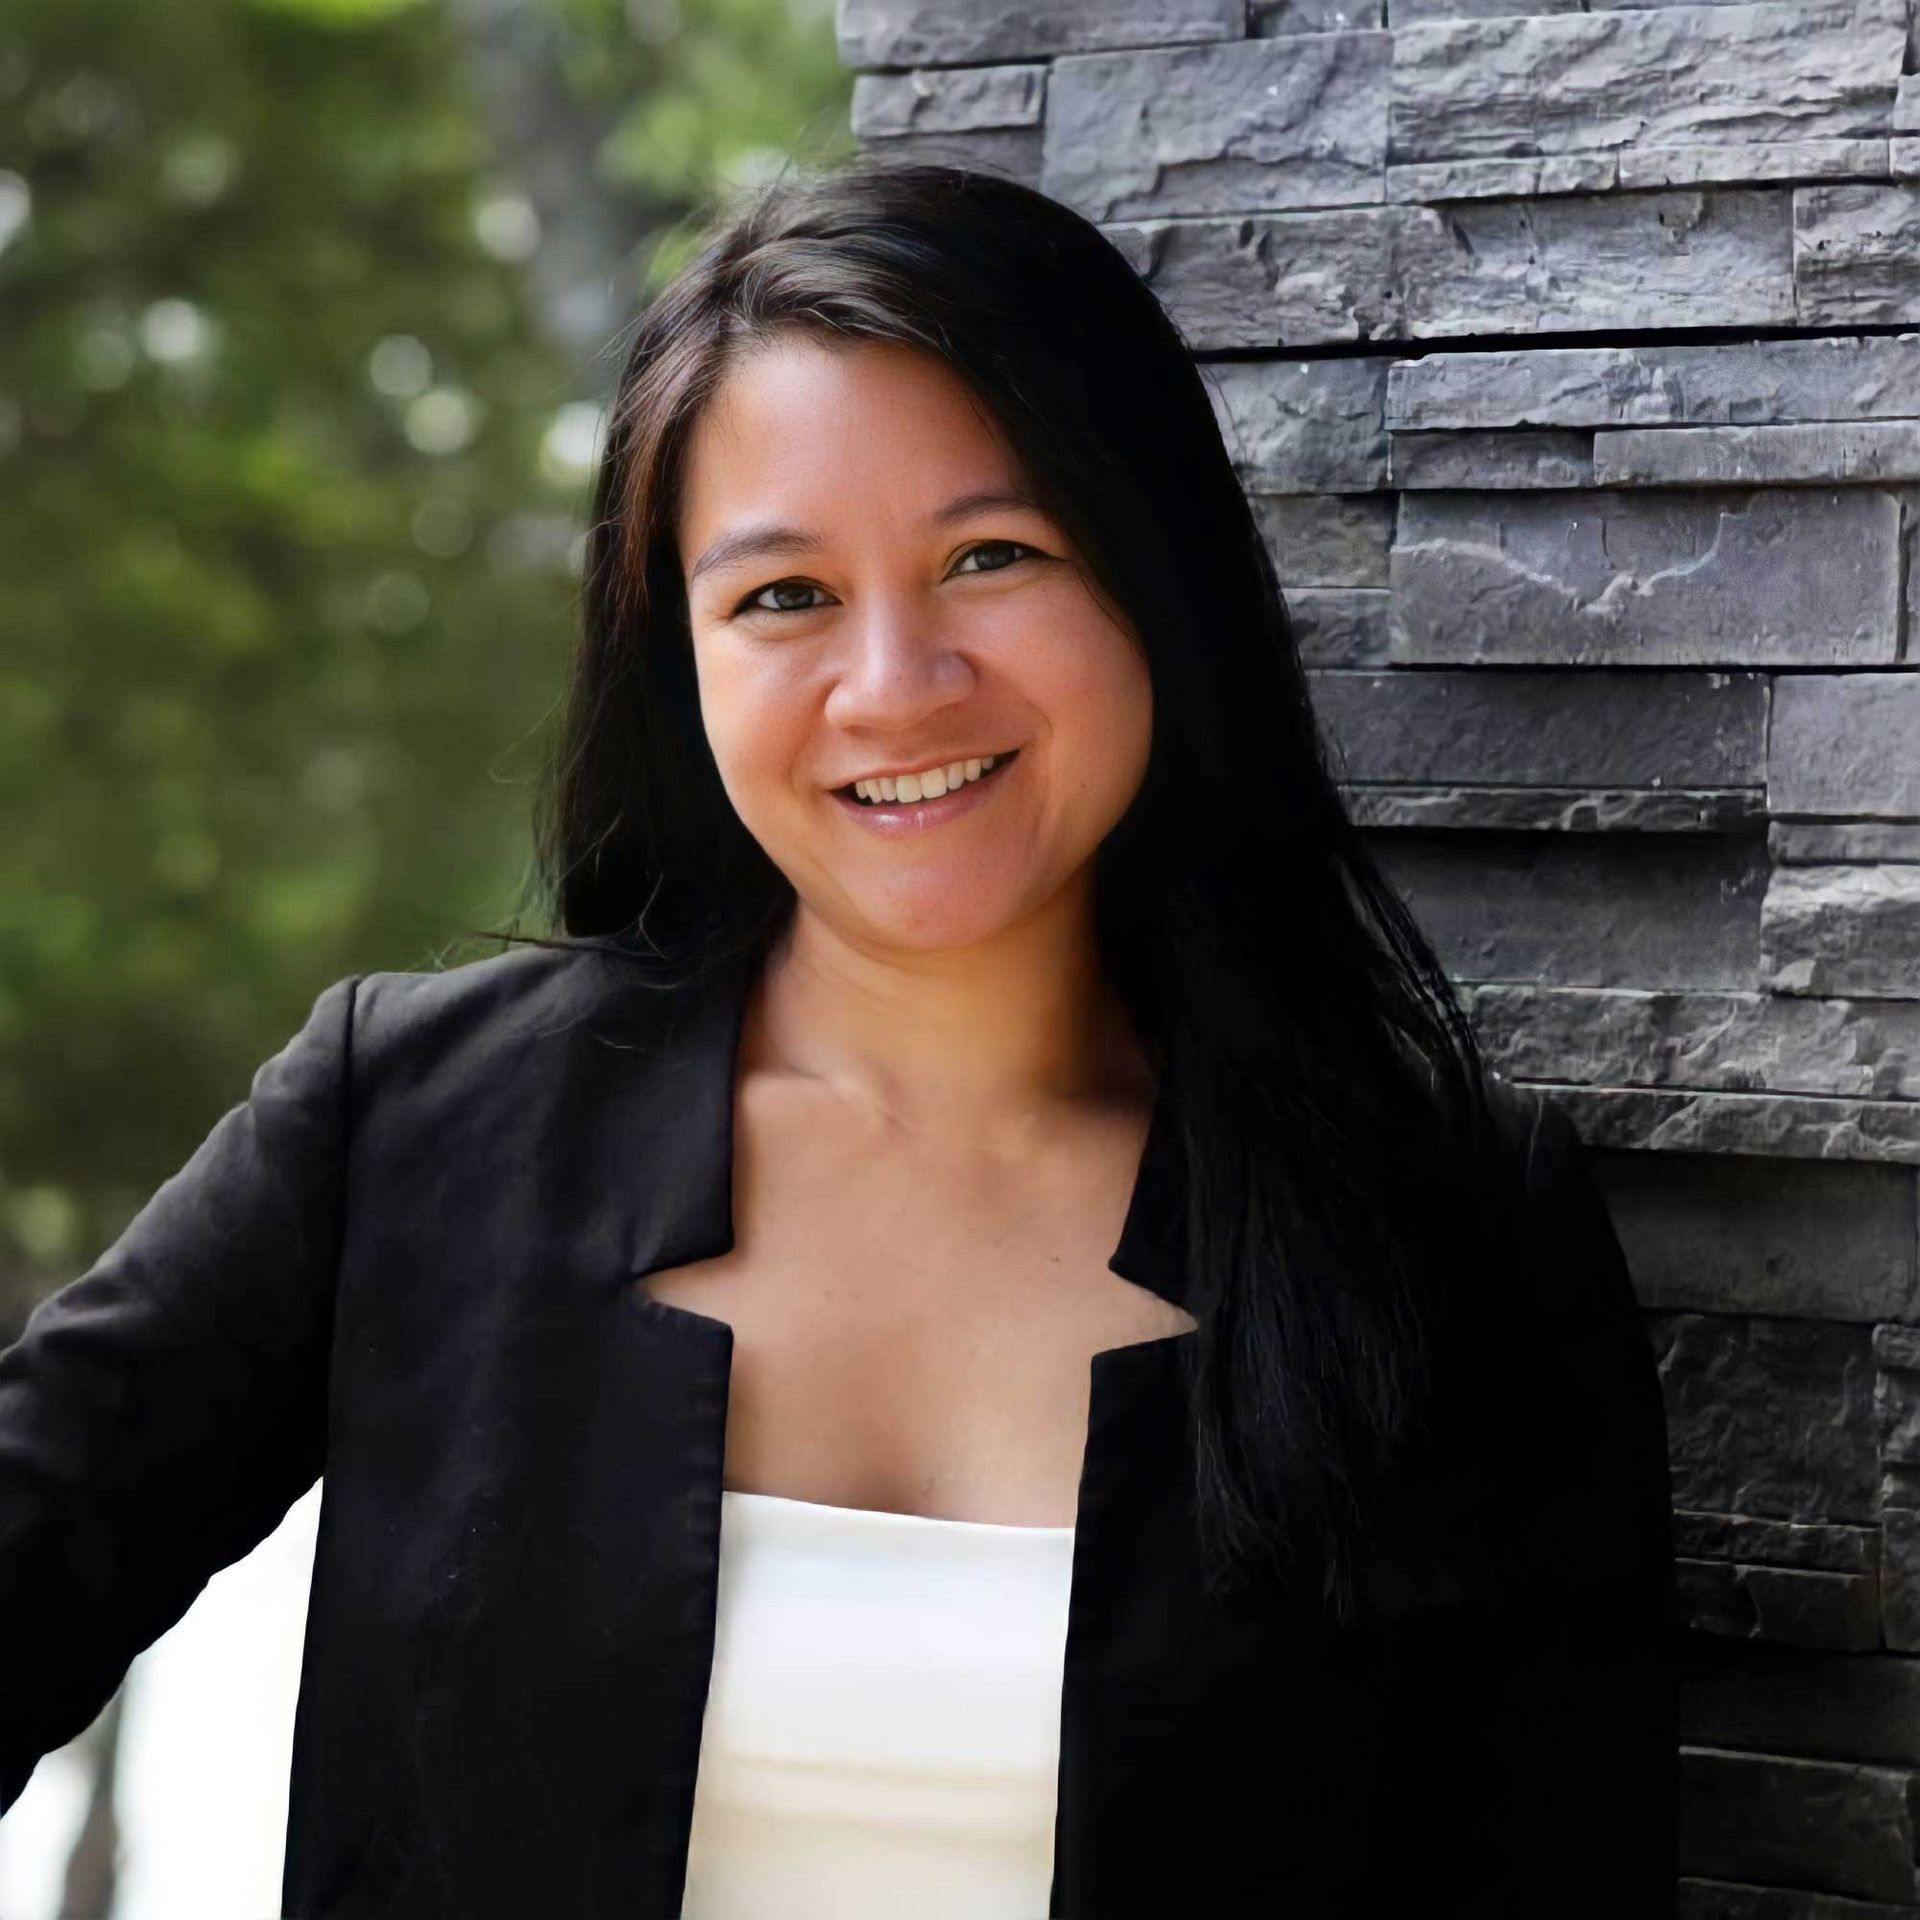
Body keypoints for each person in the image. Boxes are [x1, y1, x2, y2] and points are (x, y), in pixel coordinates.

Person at [0, 156, 1678, 1917]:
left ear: (1155, 581)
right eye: (783, 595)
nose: (895, 683)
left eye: (992, 555)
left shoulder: (1453, 1234)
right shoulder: (407, 1124)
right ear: (683, 657)